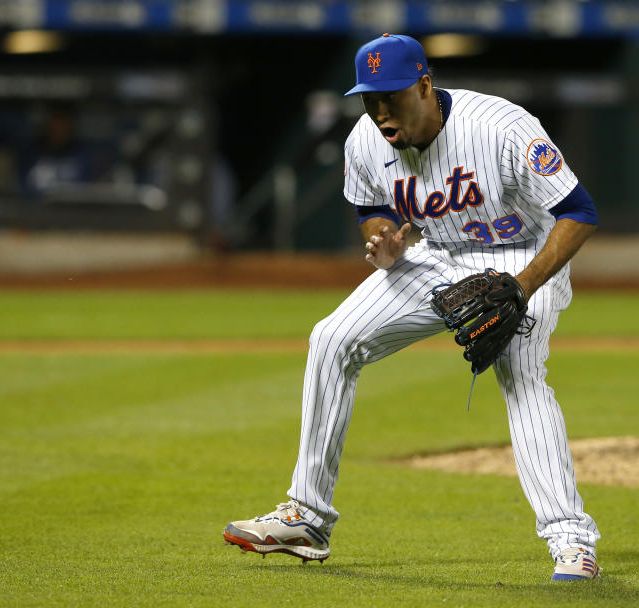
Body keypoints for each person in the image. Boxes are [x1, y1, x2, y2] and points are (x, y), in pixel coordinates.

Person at [224, 34, 601, 582]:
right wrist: (385, 241)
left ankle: (572, 542)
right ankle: (307, 519)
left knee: (519, 370)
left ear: (425, 85)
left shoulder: (500, 127)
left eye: (391, 98)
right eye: (369, 100)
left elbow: (578, 212)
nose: (379, 112)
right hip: (437, 255)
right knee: (331, 340)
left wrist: (523, 285)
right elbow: (373, 209)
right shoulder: (364, 140)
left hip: (521, 256)